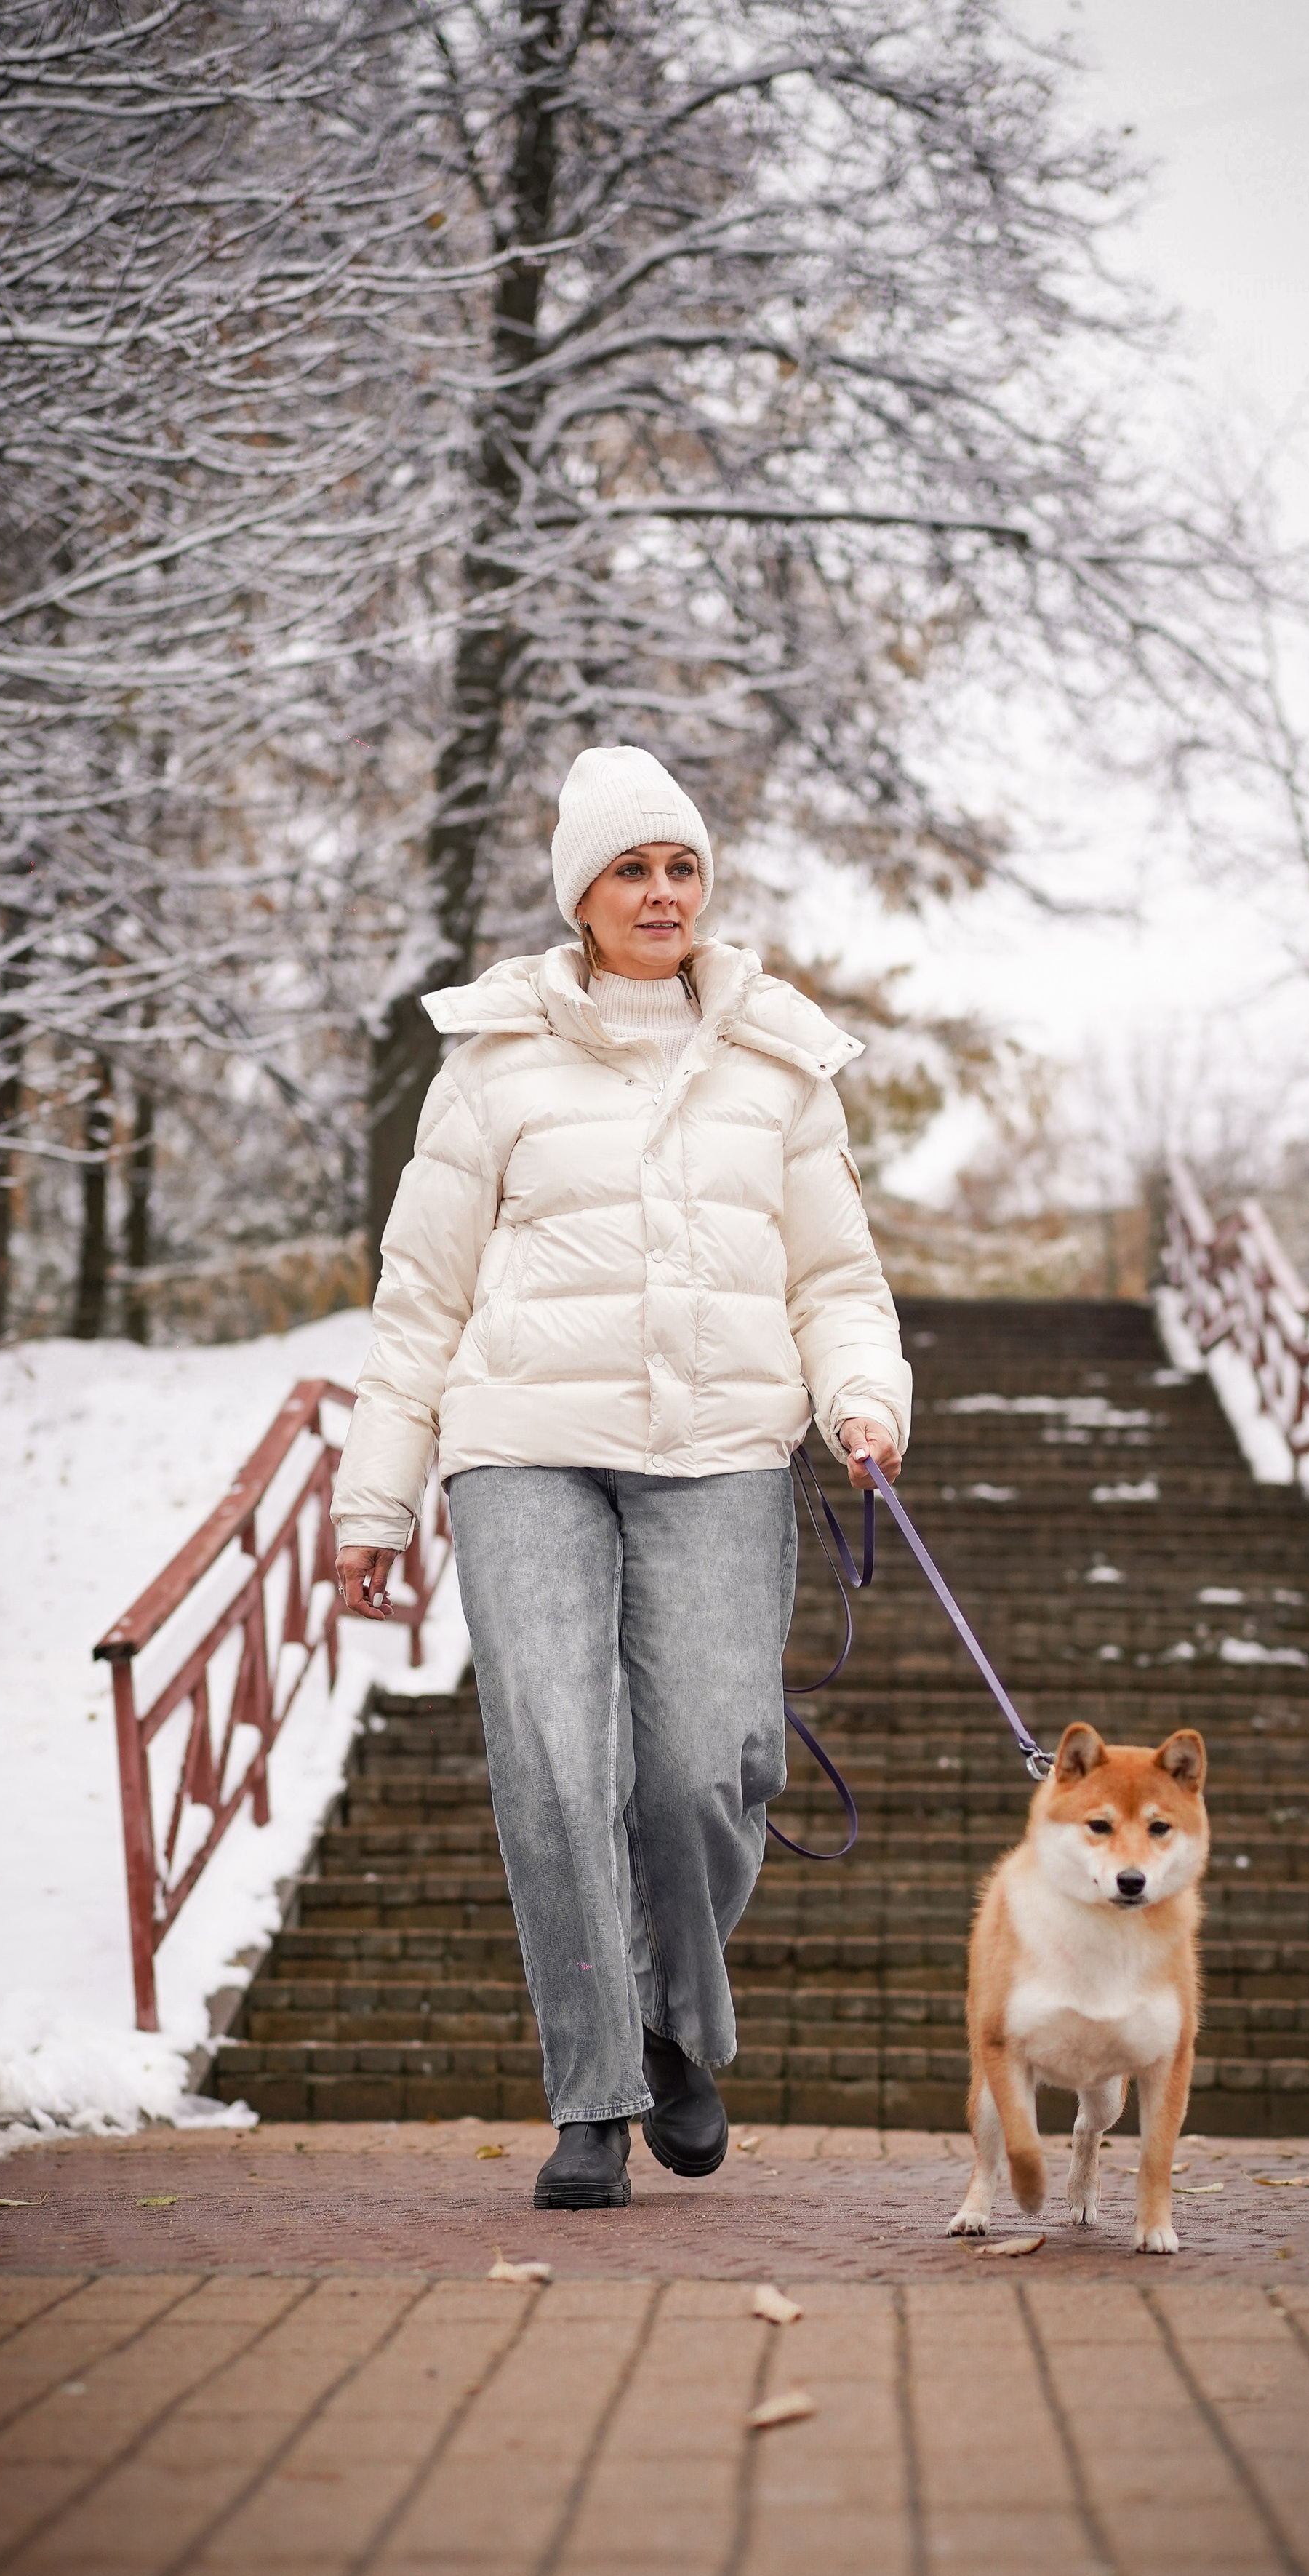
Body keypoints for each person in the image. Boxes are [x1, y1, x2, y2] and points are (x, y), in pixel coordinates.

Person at [331, 745, 910, 2209]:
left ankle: (668, 2022)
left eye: (681, 866)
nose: (660, 893)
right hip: (522, 1446)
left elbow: (834, 1274)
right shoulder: (492, 1062)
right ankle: (592, 2092)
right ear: (578, 892)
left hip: (717, 1449)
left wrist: (858, 1396)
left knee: (713, 1763)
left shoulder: (779, 1057)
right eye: (629, 868)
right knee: (549, 1756)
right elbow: (420, 1296)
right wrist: (376, 1494)